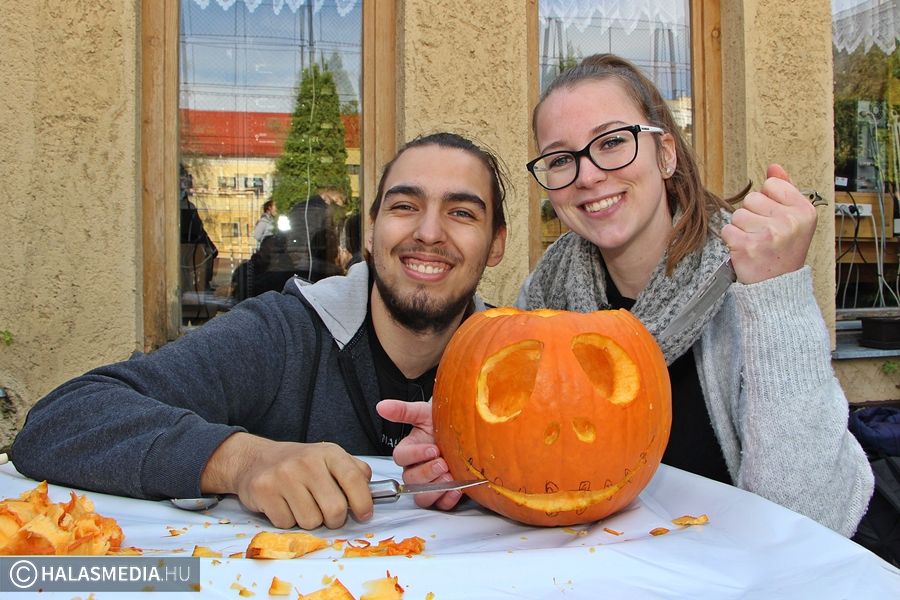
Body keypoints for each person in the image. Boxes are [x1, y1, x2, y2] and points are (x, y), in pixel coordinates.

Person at [378, 54, 874, 538]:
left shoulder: (752, 276)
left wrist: (778, 296)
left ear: (666, 154)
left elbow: (811, 521)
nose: (588, 175)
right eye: (561, 159)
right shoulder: (546, 296)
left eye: (613, 142)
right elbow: (539, 475)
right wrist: (467, 448)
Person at [10, 131, 508, 531]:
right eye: (404, 206)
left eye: (461, 213)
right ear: (372, 233)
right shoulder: (282, 334)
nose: (428, 232)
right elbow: (61, 420)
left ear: (496, 244)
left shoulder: (521, 364)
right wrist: (242, 460)